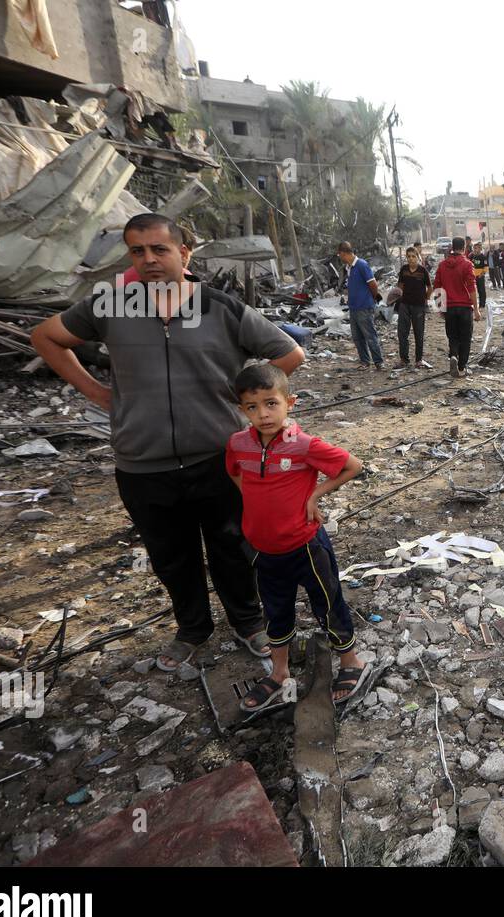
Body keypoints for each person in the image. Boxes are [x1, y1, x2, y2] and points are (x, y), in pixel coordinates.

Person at [30, 213, 304, 671]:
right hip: (143, 463)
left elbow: (289, 353)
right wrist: (97, 393)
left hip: (219, 457)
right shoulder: (110, 307)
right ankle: (193, 629)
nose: (149, 259)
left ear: (184, 252)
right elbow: (46, 337)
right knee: (171, 558)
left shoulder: (220, 308)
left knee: (233, 548)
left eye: (159, 249)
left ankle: (249, 623)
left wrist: (250, 405)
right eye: (138, 251)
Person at [226, 364, 371, 709]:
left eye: (271, 403)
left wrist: (314, 495)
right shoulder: (237, 444)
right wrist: (258, 506)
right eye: (252, 407)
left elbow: (353, 465)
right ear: (241, 410)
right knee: (276, 611)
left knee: (327, 601)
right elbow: (235, 473)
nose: (263, 414)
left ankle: (352, 663)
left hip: (306, 545)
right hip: (264, 549)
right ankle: (279, 673)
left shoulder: (304, 445)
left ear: (289, 402)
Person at [433, 237, 481, 378]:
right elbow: (472, 288)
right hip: (465, 307)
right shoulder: (467, 264)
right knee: (465, 338)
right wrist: (476, 310)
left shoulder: (442, 265)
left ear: (452, 247)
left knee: (453, 336)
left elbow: (437, 287)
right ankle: (461, 367)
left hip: (450, 308)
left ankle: (453, 355)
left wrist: (440, 308)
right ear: (464, 247)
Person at [338, 241, 383, 370]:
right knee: (357, 337)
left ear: (344, 253)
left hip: (364, 307)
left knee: (370, 335)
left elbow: (373, 284)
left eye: (340, 255)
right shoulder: (349, 267)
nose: (340, 257)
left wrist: (374, 298)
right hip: (354, 307)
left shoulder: (362, 265)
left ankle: (378, 361)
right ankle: (365, 361)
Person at [396, 246, 432, 368]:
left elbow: (430, 287)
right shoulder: (404, 270)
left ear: (417, 257)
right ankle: (404, 360)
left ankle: (419, 360)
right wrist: (398, 299)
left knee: (418, 333)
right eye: (409, 257)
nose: (411, 259)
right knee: (402, 333)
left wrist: (425, 299)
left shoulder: (423, 271)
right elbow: (400, 285)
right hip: (404, 305)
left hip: (418, 306)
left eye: (413, 256)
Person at [470, 242, 489, 308]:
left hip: (480, 276)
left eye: (476, 248)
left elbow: (486, 267)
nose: (475, 250)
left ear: (480, 249)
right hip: (472, 277)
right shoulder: (472, 256)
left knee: (481, 290)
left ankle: (482, 304)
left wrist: (482, 274)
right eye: (474, 248)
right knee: (472, 291)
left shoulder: (483, 257)